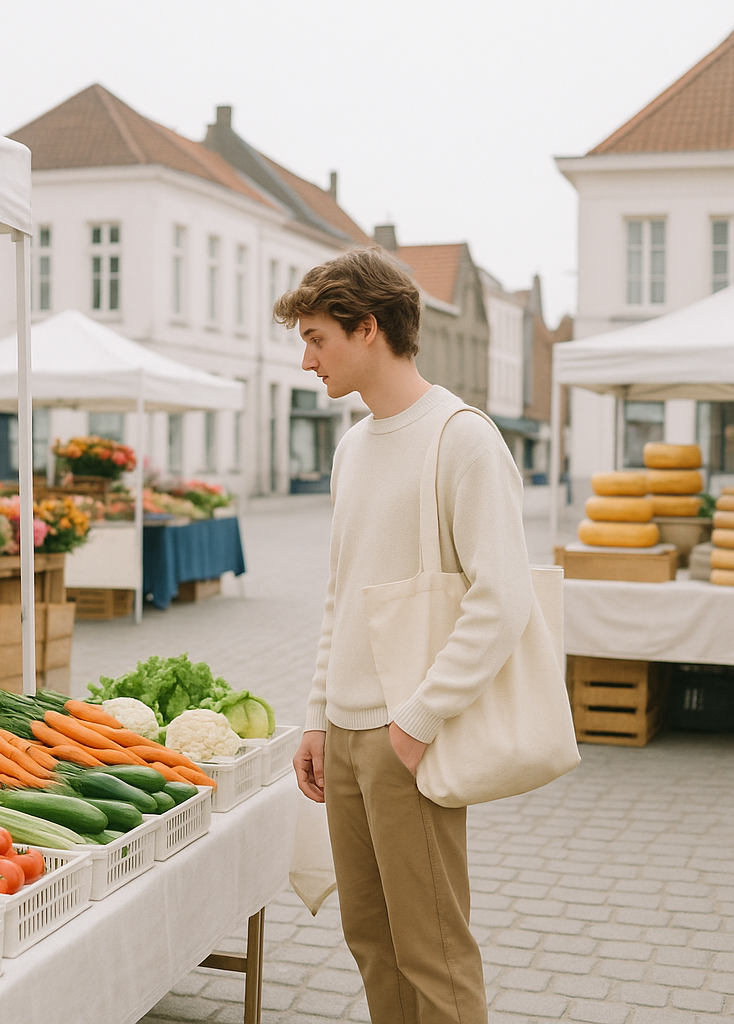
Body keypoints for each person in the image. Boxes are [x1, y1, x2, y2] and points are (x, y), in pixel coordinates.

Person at [277, 248, 532, 1024]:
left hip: (406, 734)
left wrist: (416, 723)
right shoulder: (352, 447)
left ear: (368, 328)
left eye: (318, 337)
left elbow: (505, 600)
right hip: (349, 737)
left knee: (435, 955)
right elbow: (339, 595)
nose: (306, 357)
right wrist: (318, 717)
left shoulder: (462, 437)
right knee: (371, 941)